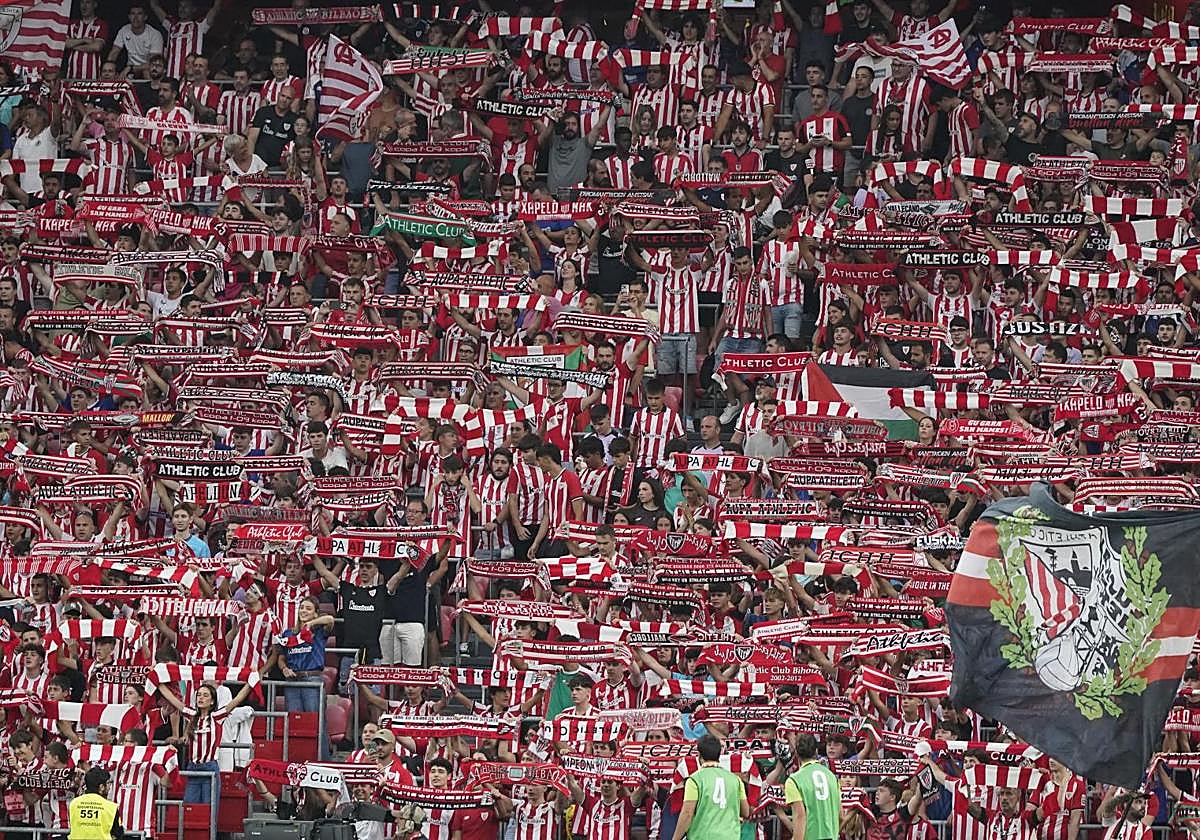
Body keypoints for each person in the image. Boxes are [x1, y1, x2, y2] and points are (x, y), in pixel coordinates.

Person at [673, 734, 748, 840]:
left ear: (699, 755)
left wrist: (675, 838)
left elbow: (687, 813)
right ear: (719, 754)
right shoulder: (735, 780)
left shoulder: (694, 780)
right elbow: (745, 812)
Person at [785, 734, 842, 840]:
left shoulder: (794, 780)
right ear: (816, 751)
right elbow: (841, 815)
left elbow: (800, 816)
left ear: (796, 753)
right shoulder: (832, 777)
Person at [69, 767, 123, 840]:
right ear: (101, 787)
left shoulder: (74, 803)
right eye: (108, 783)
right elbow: (117, 834)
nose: (110, 787)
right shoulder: (111, 807)